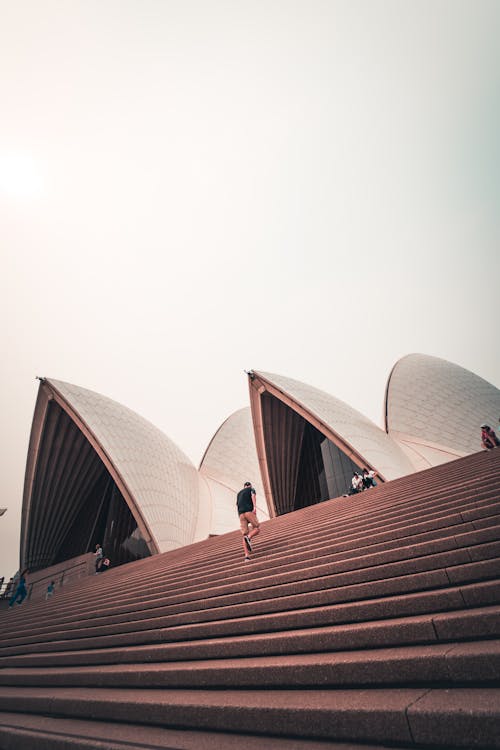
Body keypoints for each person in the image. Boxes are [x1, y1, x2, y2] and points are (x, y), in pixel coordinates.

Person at [236, 481, 260, 561]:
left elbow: (237, 504)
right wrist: (254, 507)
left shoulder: (239, 494)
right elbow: (253, 496)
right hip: (248, 511)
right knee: (257, 528)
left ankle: (247, 556)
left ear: (244, 487)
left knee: (244, 534)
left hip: (241, 514)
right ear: (250, 486)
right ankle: (248, 537)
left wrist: (240, 515)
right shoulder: (251, 489)